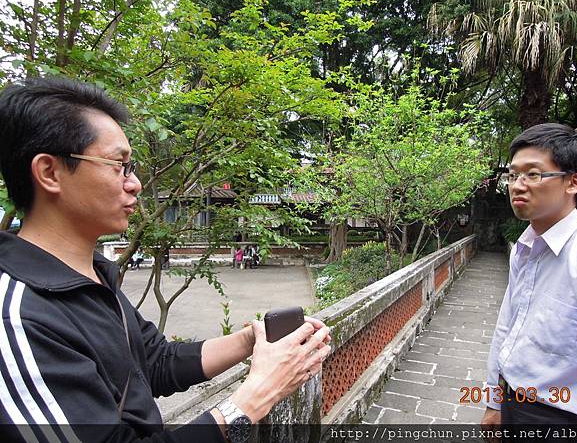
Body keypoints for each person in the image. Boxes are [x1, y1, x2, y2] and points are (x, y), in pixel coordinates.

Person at [0, 77, 331, 443]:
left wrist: (250, 342)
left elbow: (155, 361)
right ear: (49, 172)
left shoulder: (91, 275)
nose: (135, 183)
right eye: (119, 165)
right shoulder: (17, 319)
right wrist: (254, 398)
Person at [481, 124, 577, 439]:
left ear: (574, 182)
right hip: (512, 402)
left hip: (566, 419)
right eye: (512, 175)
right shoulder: (524, 247)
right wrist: (494, 400)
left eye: (533, 174)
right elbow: (507, 325)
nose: (517, 186)